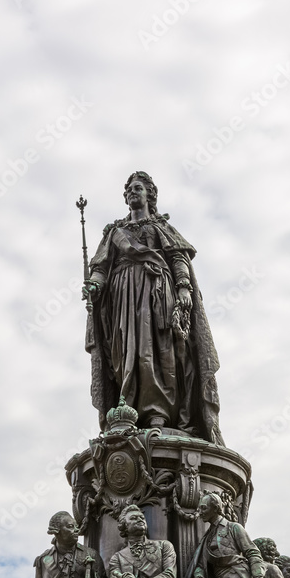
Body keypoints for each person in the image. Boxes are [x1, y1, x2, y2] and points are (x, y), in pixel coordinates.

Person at [83, 171, 223, 443]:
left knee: (160, 350)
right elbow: (100, 267)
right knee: (125, 352)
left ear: (150, 195)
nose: (132, 193)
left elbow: (178, 256)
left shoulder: (160, 227)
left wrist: (184, 287)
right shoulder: (115, 232)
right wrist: (95, 285)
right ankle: (128, 408)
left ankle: (158, 411)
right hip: (122, 297)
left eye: (138, 188)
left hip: (156, 291)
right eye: (129, 190)